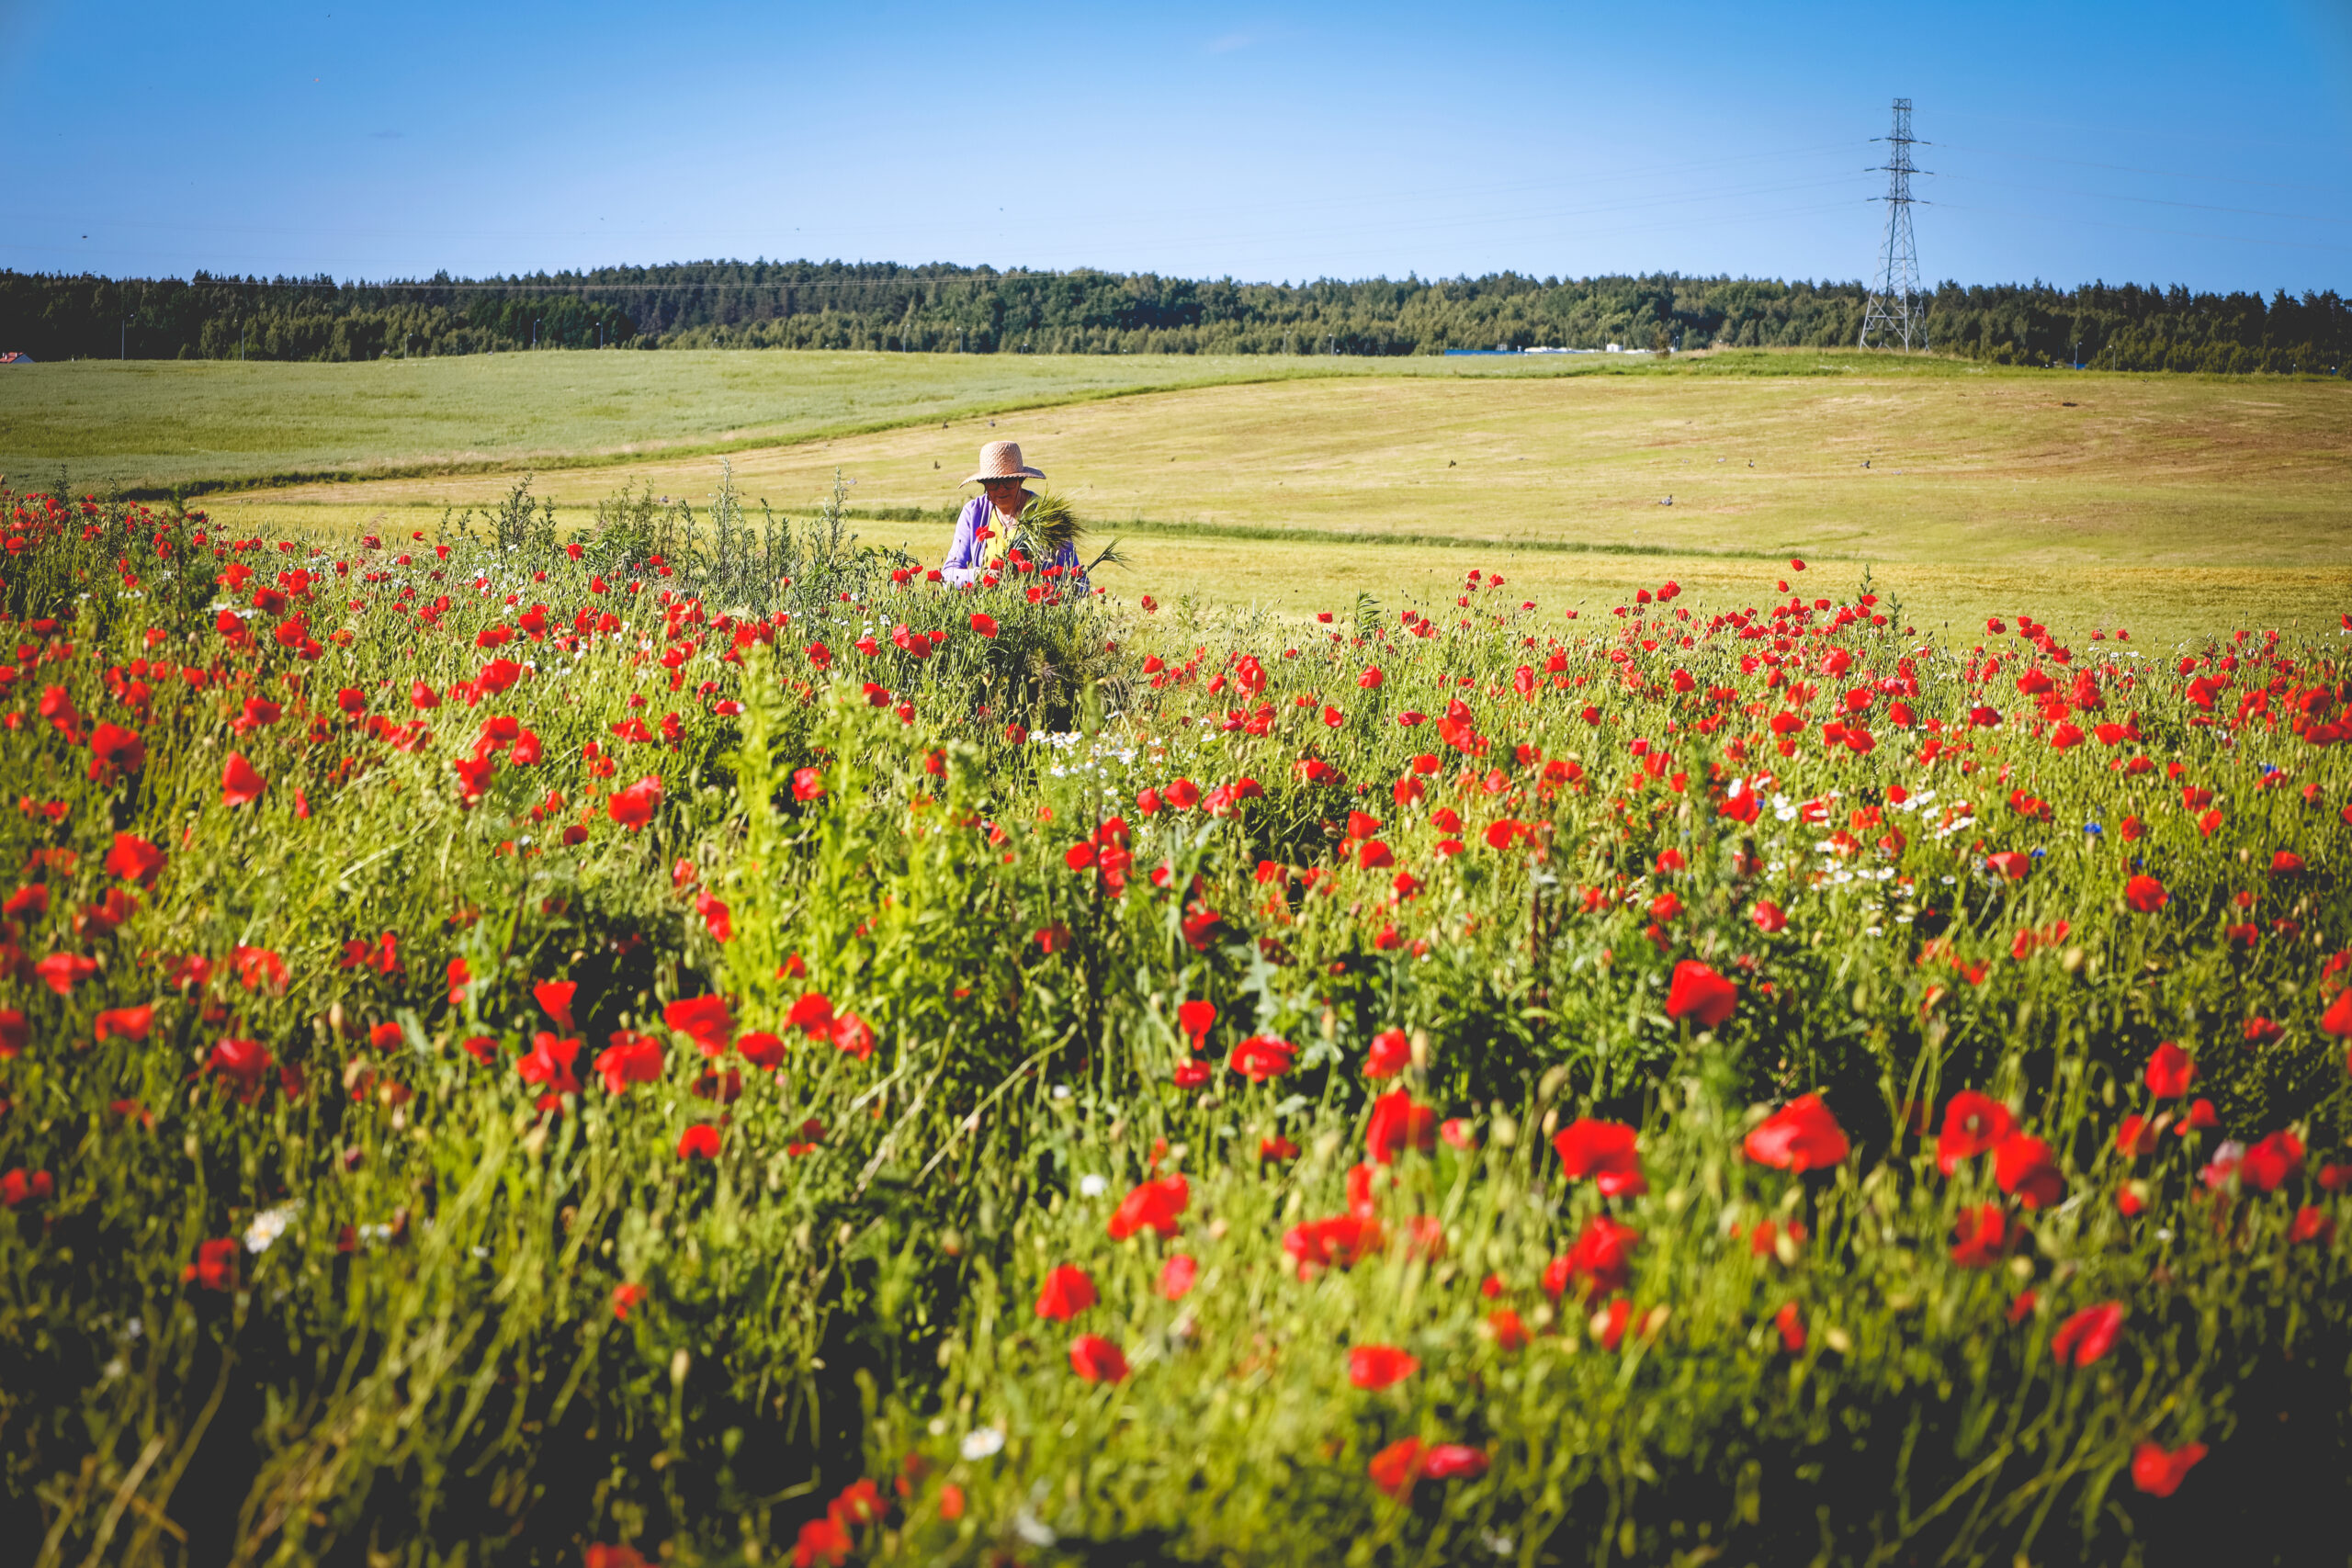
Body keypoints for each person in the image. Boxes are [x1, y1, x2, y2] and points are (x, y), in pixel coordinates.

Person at [940, 440, 1087, 590]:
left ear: (1020, 480)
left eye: (1008, 481)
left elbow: (1078, 580)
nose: (1001, 489)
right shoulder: (973, 512)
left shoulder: (1047, 516)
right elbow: (948, 574)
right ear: (984, 484)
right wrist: (981, 574)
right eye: (993, 483)